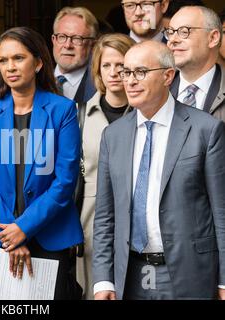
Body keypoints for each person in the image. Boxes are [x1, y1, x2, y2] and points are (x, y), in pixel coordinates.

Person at [93, 40, 225, 300]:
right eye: (126, 72)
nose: (130, 80)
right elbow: (105, 216)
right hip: (130, 273)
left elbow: (222, 213)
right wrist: (103, 281)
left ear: (168, 76)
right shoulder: (113, 135)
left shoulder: (205, 130)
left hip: (189, 272)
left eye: (140, 72)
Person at [0, 26, 83, 300]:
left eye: (18, 58)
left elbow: (65, 182)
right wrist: (11, 233)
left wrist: (25, 227)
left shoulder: (62, 110)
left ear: (39, 62)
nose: (10, 67)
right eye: (3, 60)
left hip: (49, 236)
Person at [75, 33, 135, 300]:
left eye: (121, 65)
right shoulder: (78, 115)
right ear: (97, 69)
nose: (114, 73)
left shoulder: (146, 115)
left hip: (137, 225)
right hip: (89, 226)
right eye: (106, 65)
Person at [166, 6, 225, 122]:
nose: (173, 40)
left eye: (184, 32)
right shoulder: (155, 88)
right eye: (170, 32)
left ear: (213, 38)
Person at [52, 7, 98, 104]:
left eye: (77, 39)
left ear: (93, 45)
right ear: (54, 40)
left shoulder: (100, 87)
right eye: (62, 37)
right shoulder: (35, 82)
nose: (68, 45)